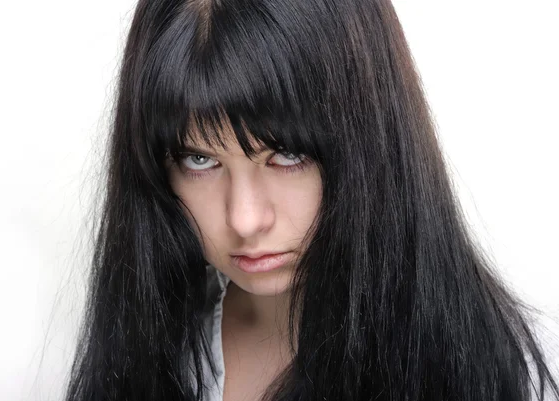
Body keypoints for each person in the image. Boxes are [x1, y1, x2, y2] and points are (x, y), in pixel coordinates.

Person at [63, 0, 559, 400]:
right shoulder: (157, 350)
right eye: (198, 160)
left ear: (373, 143)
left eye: (288, 154)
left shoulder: (509, 371)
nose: (246, 218)